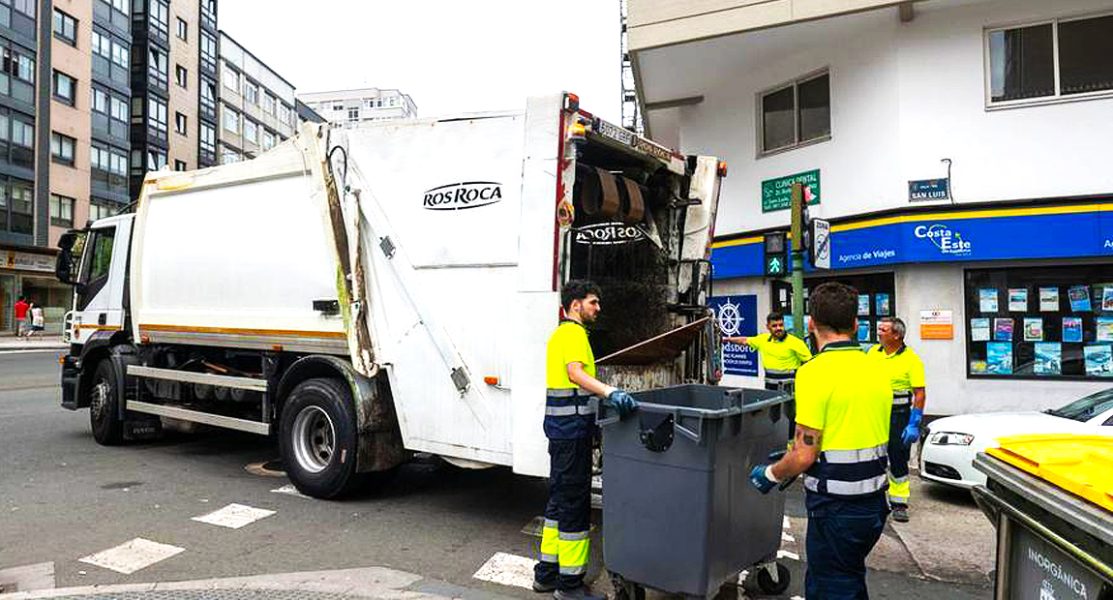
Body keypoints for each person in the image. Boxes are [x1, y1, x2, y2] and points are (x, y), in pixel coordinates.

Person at [749, 282, 892, 599]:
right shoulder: (878, 367)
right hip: (874, 505)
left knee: (831, 587)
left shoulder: (814, 373)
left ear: (810, 323)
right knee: (850, 578)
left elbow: (804, 455)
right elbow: (849, 425)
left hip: (836, 508)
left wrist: (770, 474)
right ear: (856, 324)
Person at [533, 280, 637, 600]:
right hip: (572, 431)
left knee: (558, 503)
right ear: (575, 305)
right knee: (575, 507)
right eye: (593, 302)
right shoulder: (574, 334)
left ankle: (547, 574)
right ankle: (570, 585)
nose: (598, 308)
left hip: (561, 430)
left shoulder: (560, 334)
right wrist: (611, 392)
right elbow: (575, 373)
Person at [869, 317, 926, 523]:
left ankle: (899, 502)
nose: (879, 332)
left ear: (896, 335)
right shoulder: (872, 353)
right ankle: (874, 498)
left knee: (898, 456)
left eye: (883, 329)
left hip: (898, 415)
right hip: (874, 412)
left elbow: (919, 393)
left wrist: (914, 421)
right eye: (879, 328)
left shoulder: (911, 360)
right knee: (873, 455)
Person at [723, 311, 812, 431]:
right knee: (772, 415)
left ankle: (790, 441)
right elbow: (744, 341)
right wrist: (726, 339)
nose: (778, 328)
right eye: (774, 326)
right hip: (770, 387)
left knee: (789, 417)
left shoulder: (795, 343)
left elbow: (810, 363)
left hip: (789, 388)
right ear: (768, 327)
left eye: (781, 325)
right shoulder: (763, 340)